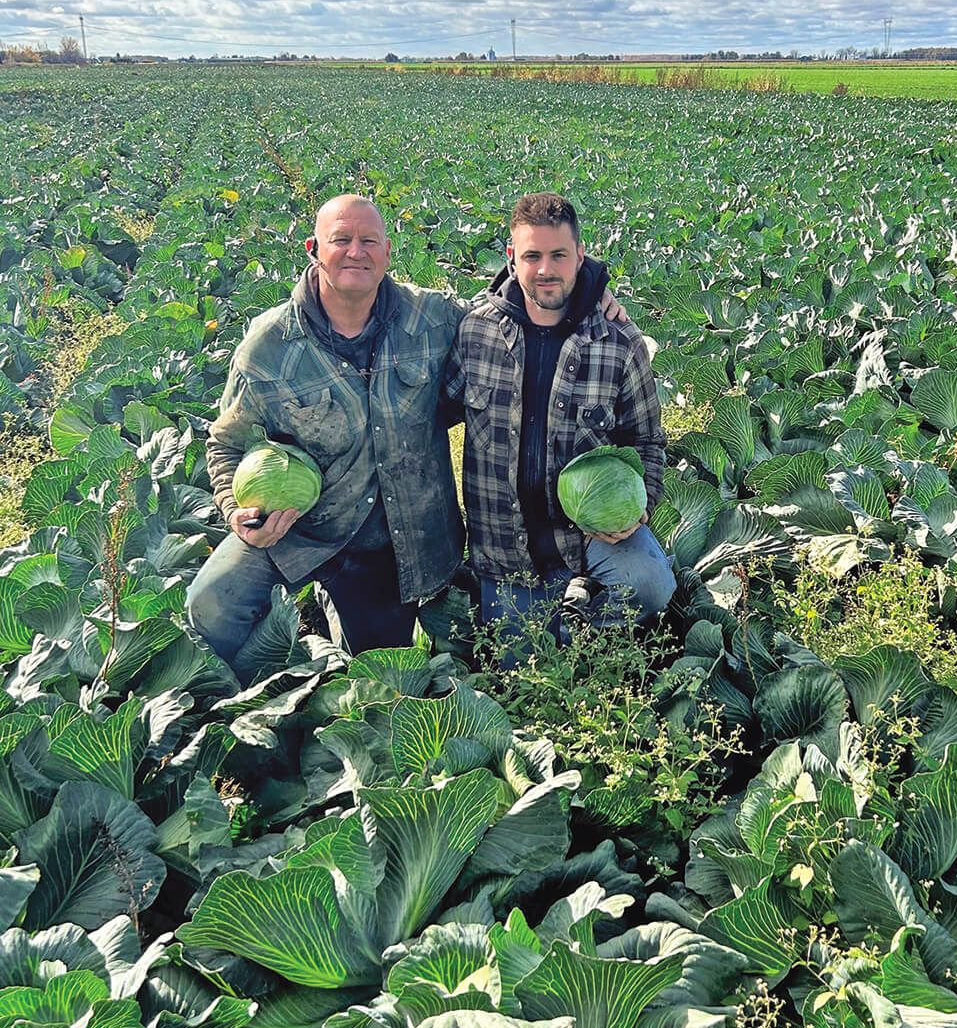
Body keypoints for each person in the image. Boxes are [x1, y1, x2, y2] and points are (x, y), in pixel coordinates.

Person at [185, 194, 462, 674]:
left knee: (374, 670)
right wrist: (237, 511)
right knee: (211, 603)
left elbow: (511, 308)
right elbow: (227, 442)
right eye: (342, 240)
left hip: (392, 539)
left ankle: (338, 614)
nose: (357, 251)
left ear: (387, 252)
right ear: (314, 248)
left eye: (369, 241)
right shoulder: (269, 345)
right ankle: (240, 701)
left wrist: (592, 287)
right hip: (298, 529)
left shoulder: (431, 319)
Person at [444, 191, 675, 633]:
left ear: (580, 255)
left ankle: (587, 617)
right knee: (518, 671)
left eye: (558, 255)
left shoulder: (618, 342)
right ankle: (562, 617)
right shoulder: (476, 331)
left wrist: (635, 508)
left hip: (585, 535)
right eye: (532, 256)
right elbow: (431, 413)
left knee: (650, 585)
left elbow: (646, 439)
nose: (545, 270)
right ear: (512, 258)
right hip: (504, 545)